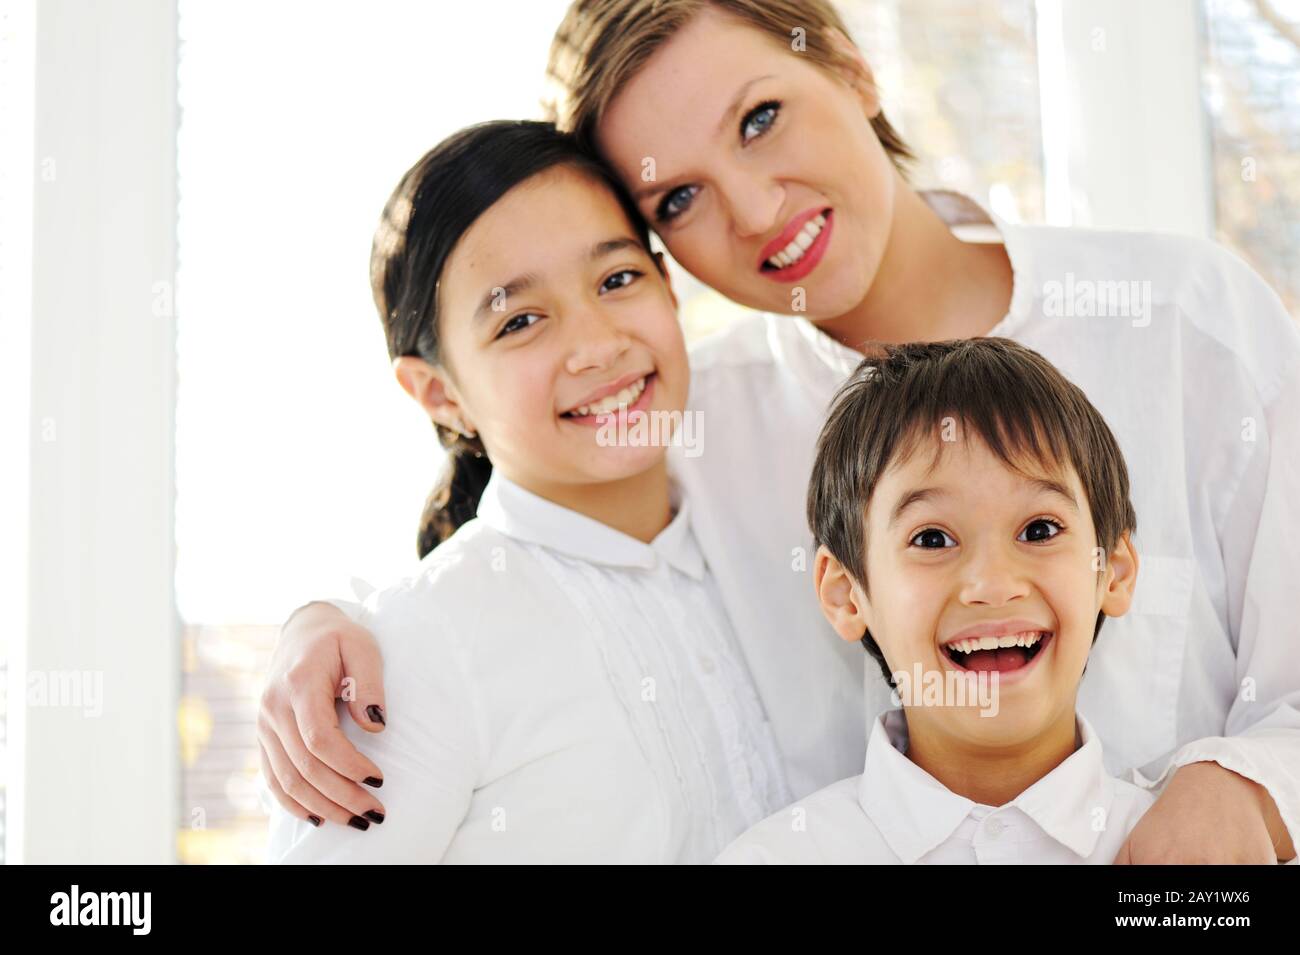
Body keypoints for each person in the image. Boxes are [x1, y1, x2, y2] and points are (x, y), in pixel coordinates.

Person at [259, 0, 1299, 862]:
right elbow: (537, 545)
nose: (754, 211)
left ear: (849, 68)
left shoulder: (1178, 317)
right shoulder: (689, 415)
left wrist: (1250, 786)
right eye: (678, 197)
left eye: (759, 118)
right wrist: (329, 623)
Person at [266, 120, 791, 863]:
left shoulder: (773, 521)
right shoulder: (412, 651)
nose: (599, 344)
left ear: (668, 287)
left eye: (616, 279)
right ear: (439, 394)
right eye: (520, 320)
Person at [718, 337, 1157, 863]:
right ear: (845, 593)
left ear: (1115, 570)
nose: (993, 585)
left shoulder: (1197, 858)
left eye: (1039, 529)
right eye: (931, 540)